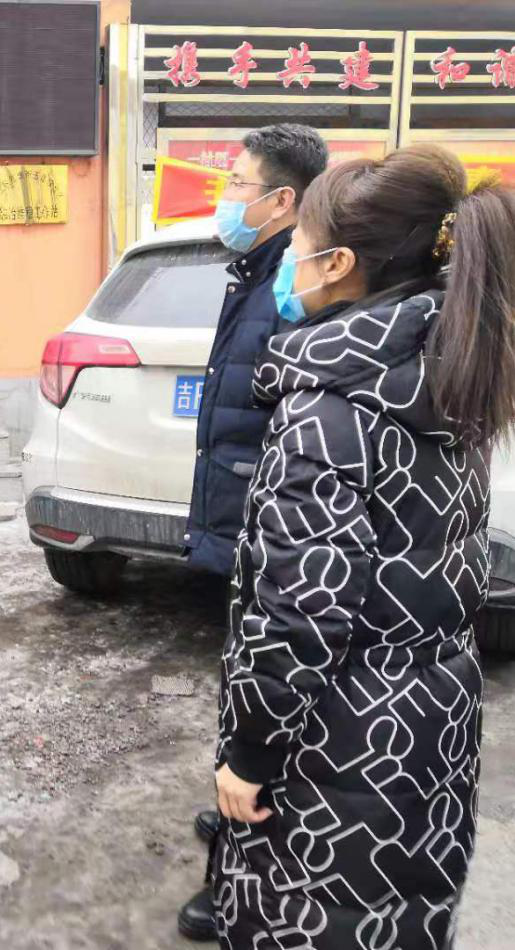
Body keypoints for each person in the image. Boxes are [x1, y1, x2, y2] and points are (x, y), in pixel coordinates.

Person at [211, 144, 508, 946]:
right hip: (433, 717)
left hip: (338, 743)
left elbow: (300, 618)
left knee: (309, 921)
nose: (288, 262)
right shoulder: (450, 370)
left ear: (336, 264)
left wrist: (248, 754)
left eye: (299, 245)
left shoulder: (325, 414)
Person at [176, 123, 328, 942]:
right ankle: (240, 816)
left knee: (265, 695)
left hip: (274, 524)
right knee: (243, 685)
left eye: (236, 184)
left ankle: (242, 877)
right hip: (244, 509)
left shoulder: (293, 284)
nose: (224, 198)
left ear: (281, 200)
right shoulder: (257, 270)